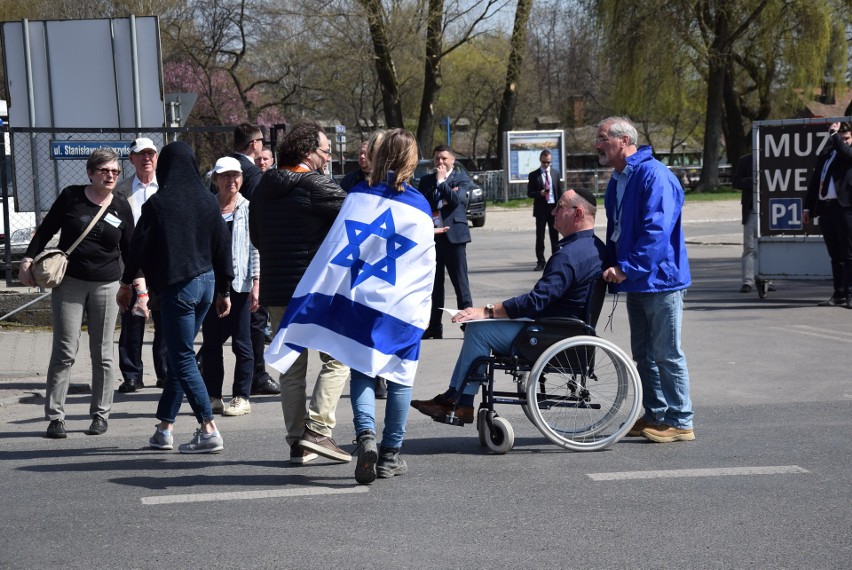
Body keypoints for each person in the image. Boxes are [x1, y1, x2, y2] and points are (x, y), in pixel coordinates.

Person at [412, 188, 605, 423]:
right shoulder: (598, 248)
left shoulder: (568, 256)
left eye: (560, 207)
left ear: (578, 213)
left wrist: (488, 310)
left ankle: (461, 402)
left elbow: (536, 301)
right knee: (480, 325)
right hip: (564, 327)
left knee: (478, 329)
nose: (553, 211)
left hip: (552, 333)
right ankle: (454, 396)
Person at [117, 141, 234, 454]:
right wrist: (224, 289)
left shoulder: (159, 203)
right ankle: (164, 429)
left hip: (178, 288)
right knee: (182, 356)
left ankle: (208, 429)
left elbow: (139, 246)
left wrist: (127, 283)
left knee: (181, 357)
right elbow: (223, 246)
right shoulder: (210, 202)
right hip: (207, 285)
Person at [249, 120, 351, 464]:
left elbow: (256, 239)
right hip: (315, 291)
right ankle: (318, 430)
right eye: (325, 150)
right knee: (339, 358)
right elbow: (359, 218)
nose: (328, 155)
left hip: (277, 291)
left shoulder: (262, 187)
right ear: (308, 152)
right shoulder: (315, 184)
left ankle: (297, 441)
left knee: (291, 369)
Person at [19, 149, 135, 439]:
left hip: (107, 285)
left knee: (103, 354)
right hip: (69, 282)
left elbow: (131, 250)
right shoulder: (71, 196)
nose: (110, 176)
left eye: (115, 172)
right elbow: (46, 230)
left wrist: (133, 286)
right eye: (104, 171)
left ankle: (100, 414)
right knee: (64, 351)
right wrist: (28, 259)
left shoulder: (121, 205)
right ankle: (56, 417)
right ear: (90, 172)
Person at [596, 116, 695, 444]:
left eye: (602, 138)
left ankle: (680, 420)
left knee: (667, 352)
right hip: (638, 280)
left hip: (660, 280)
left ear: (623, 141)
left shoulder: (655, 174)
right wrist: (613, 265)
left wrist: (626, 268)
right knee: (644, 353)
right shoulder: (618, 178)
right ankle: (656, 414)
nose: (597, 145)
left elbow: (657, 231)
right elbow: (617, 229)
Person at [199, 157, 260, 416]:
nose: (230, 180)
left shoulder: (248, 208)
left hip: (241, 284)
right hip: (212, 283)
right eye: (225, 176)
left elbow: (255, 248)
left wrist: (256, 283)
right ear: (215, 179)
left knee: (242, 342)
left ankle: (241, 396)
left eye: (235, 175)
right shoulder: (207, 208)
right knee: (211, 342)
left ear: (242, 179)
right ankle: (214, 395)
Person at [114, 137, 168, 392]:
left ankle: (165, 372)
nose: (146, 159)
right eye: (141, 155)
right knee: (132, 320)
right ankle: (132, 374)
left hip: (163, 263)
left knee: (165, 320)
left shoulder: (167, 187)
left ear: (157, 158)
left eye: (151, 154)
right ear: (131, 159)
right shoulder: (121, 190)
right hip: (133, 261)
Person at [231, 124, 280, 397]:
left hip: (225, 252)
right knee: (254, 320)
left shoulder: (222, 168)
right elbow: (262, 217)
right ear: (254, 144)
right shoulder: (252, 174)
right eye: (261, 142)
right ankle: (256, 375)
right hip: (250, 253)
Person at [420, 144, 473, 339]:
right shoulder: (426, 180)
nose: (440, 162)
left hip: (454, 236)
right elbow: (426, 204)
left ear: (452, 160)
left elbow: (457, 199)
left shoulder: (461, 178)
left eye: (444, 158)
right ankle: (434, 326)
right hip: (433, 235)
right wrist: (443, 199)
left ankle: (468, 325)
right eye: (437, 159)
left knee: (460, 282)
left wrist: (442, 183)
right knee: (434, 284)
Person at [803, 121, 852, 308]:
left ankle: (850, 294)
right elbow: (816, 181)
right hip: (827, 208)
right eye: (841, 138)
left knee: (849, 254)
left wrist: (833, 136)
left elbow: (846, 152)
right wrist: (808, 208)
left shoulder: (847, 152)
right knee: (835, 255)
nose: (843, 141)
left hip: (846, 209)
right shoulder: (827, 154)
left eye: (846, 138)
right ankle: (838, 293)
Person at [528, 149, 564, 271]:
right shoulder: (534, 175)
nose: (546, 165)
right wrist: (540, 193)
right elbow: (529, 193)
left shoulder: (555, 173)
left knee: (555, 237)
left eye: (548, 162)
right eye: (544, 162)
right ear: (540, 161)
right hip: (541, 209)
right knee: (540, 236)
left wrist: (561, 207)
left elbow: (559, 191)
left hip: (553, 208)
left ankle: (556, 261)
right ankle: (541, 261)